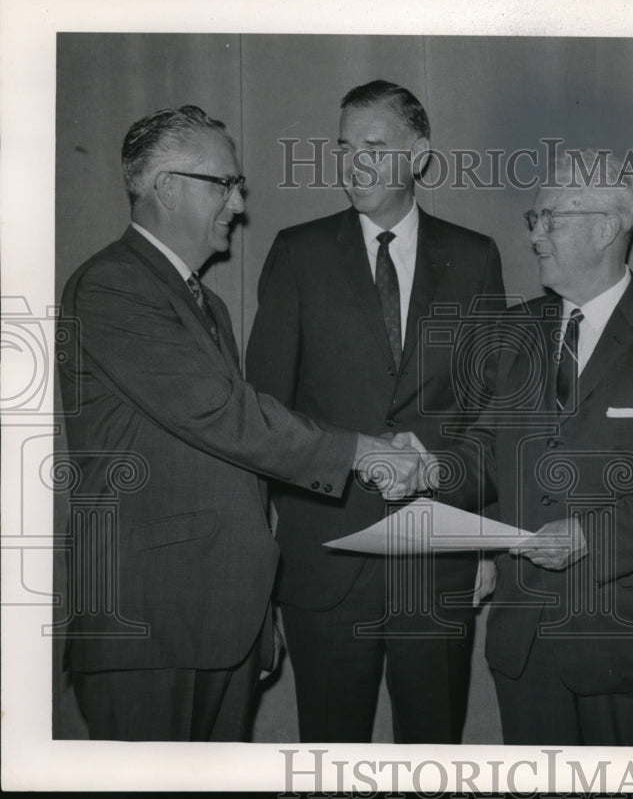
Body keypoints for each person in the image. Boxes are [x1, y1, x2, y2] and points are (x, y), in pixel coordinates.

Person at [57, 105, 429, 742]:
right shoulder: (113, 285)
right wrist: (366, 450)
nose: (237, 203)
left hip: (215, 621)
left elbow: (234, 467)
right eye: (223, 185)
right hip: (149, 625)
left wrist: (255, 611)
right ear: (166, 188)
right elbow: (223, 415)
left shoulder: (203, 305)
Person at [245, 80, 505, 743]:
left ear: (418, 154)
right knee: (330, 759)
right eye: (342, 147)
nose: (353, 162)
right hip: (323, 563)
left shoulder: (474, 259)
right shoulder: (297, 253)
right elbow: (261, 413)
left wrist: (483, 538)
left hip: (436, 557)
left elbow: (490, 416)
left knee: (434, 756)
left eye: (374, 145)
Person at [449, 149, 633, 746]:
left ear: (606, 227)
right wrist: (424, 466)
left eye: (550, 219)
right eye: (535, 221)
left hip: (629, 647)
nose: (535, 237)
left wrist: (587, 537)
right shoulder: (513, 331)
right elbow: (486, 454)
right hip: (526, 645)